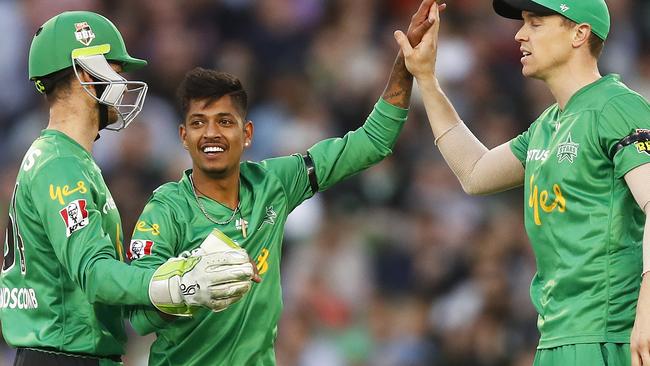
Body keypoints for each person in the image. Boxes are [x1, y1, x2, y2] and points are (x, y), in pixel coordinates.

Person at [125, 1, 445, 364]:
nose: (211, 133)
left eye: (224, 121)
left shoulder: (274, 182)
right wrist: (191, 286)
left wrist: (405, 64)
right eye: (199, 122)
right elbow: (139, 316)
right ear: (183, 136)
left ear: (247, 134)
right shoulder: (166, 210)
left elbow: (372, 142)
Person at [394, 0, 650, 365]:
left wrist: (648, 311)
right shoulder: (548, 125)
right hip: (556, 338)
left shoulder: (618, 107)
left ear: (580, 33)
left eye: (536, 23)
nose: (519, 34)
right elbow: (474, 171)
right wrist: (427, 80)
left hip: (608, 337)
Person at [1, 11, 257, 366]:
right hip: (65, 357)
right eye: (116, 70)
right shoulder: (59, 165)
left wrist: (178, 275)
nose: (123, 82)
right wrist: (181, 282)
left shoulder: (68, 160)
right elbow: (96, 274)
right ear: (85, 73)